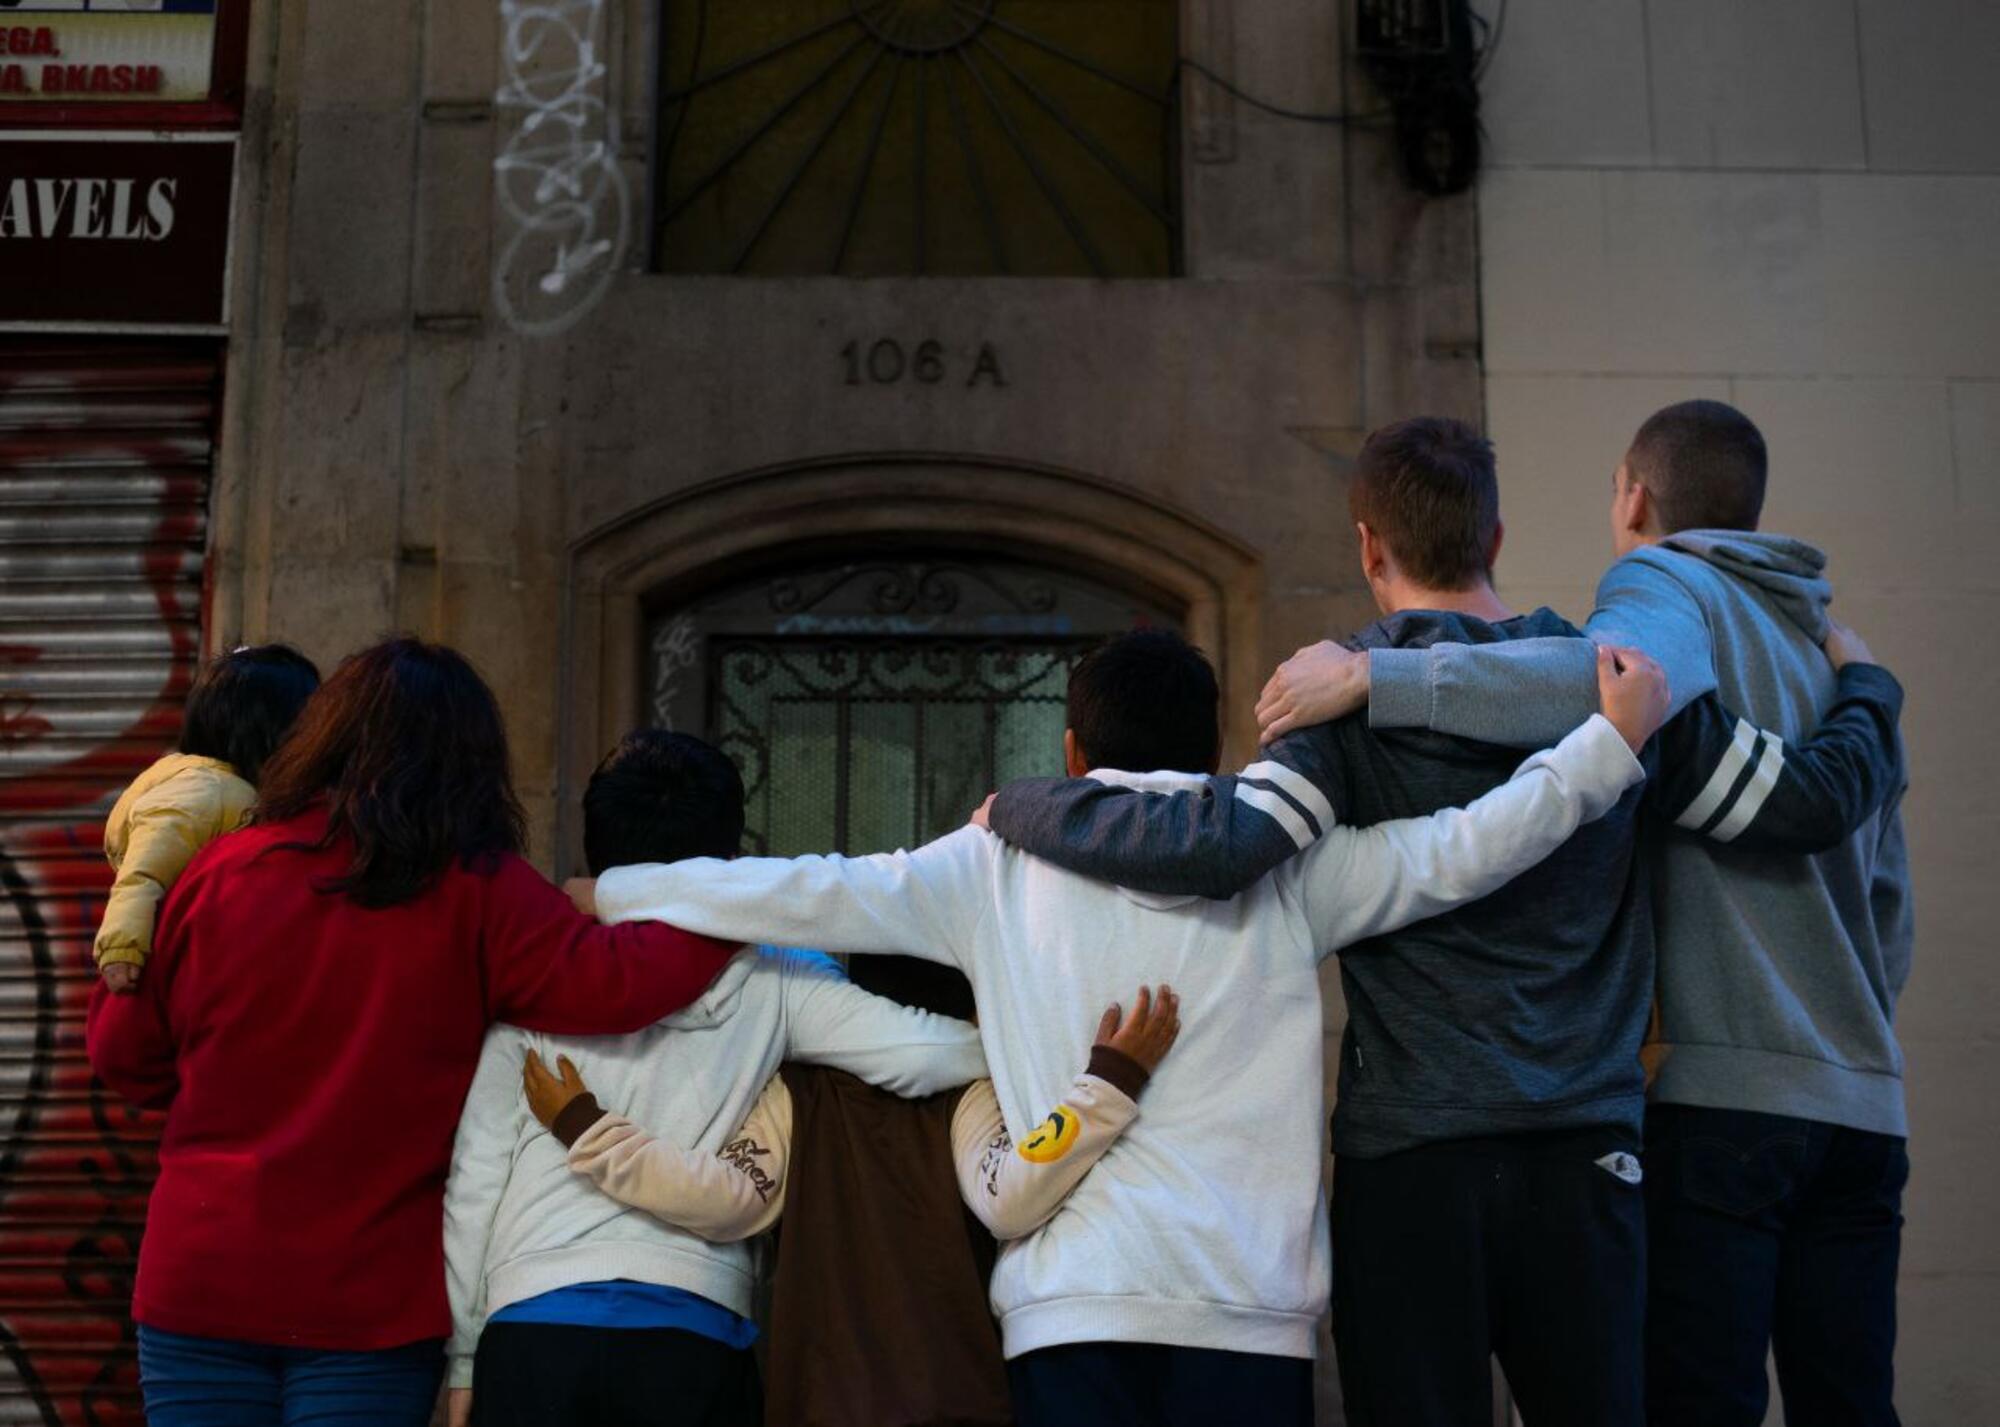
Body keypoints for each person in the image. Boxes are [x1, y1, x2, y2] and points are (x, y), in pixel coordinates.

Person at [976, 419, 1907, 1426]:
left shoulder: (1333, 692)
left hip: (1409, 1159)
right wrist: (1861, 688)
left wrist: (1021, 807)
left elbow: (1215, 842)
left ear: (1368, 545)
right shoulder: (1615, 687)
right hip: (1585, 1153)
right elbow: (1794, 804)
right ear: (1494, 537)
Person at [565, 626, 1668, 1427]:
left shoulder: (989, 864)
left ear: (1070, 746)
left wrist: (620, 891)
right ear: (1211, 743)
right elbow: (1460, 848)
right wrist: (1602, 749)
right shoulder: (1282, 864)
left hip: (1068, 1314)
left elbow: (803, 888)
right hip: (1248, 1313)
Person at [1256, 400, 1914, 1427]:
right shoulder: (1831, 651)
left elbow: (1598, 687)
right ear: (1498, 536)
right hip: (1806, 1106)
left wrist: (1372, 675)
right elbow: (1887, 907)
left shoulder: (1644, 601)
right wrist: (1869, 687)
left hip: (1632, 1105)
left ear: (1633, 497)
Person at [84, 638, 739, 1427]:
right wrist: (741, 904)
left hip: (201, 1280)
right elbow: (620, 979)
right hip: (369, 1307)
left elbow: (125, 1055)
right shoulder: (482, 891)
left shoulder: (222, 871)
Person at [441, 729, 990, 1427]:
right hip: (694, 1334)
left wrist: (462, 1359)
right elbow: (926, 1053)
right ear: (732, 857)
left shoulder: (535, 969)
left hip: (533, 1327)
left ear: (594, 850)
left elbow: (476, 1179)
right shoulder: (777, 975)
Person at [93, 644, 320, 993]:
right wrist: (122, 950)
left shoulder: (227, 787)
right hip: (169, 971)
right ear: (268, 731)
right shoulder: (203, 792)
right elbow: (143, 874)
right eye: (306, 724)